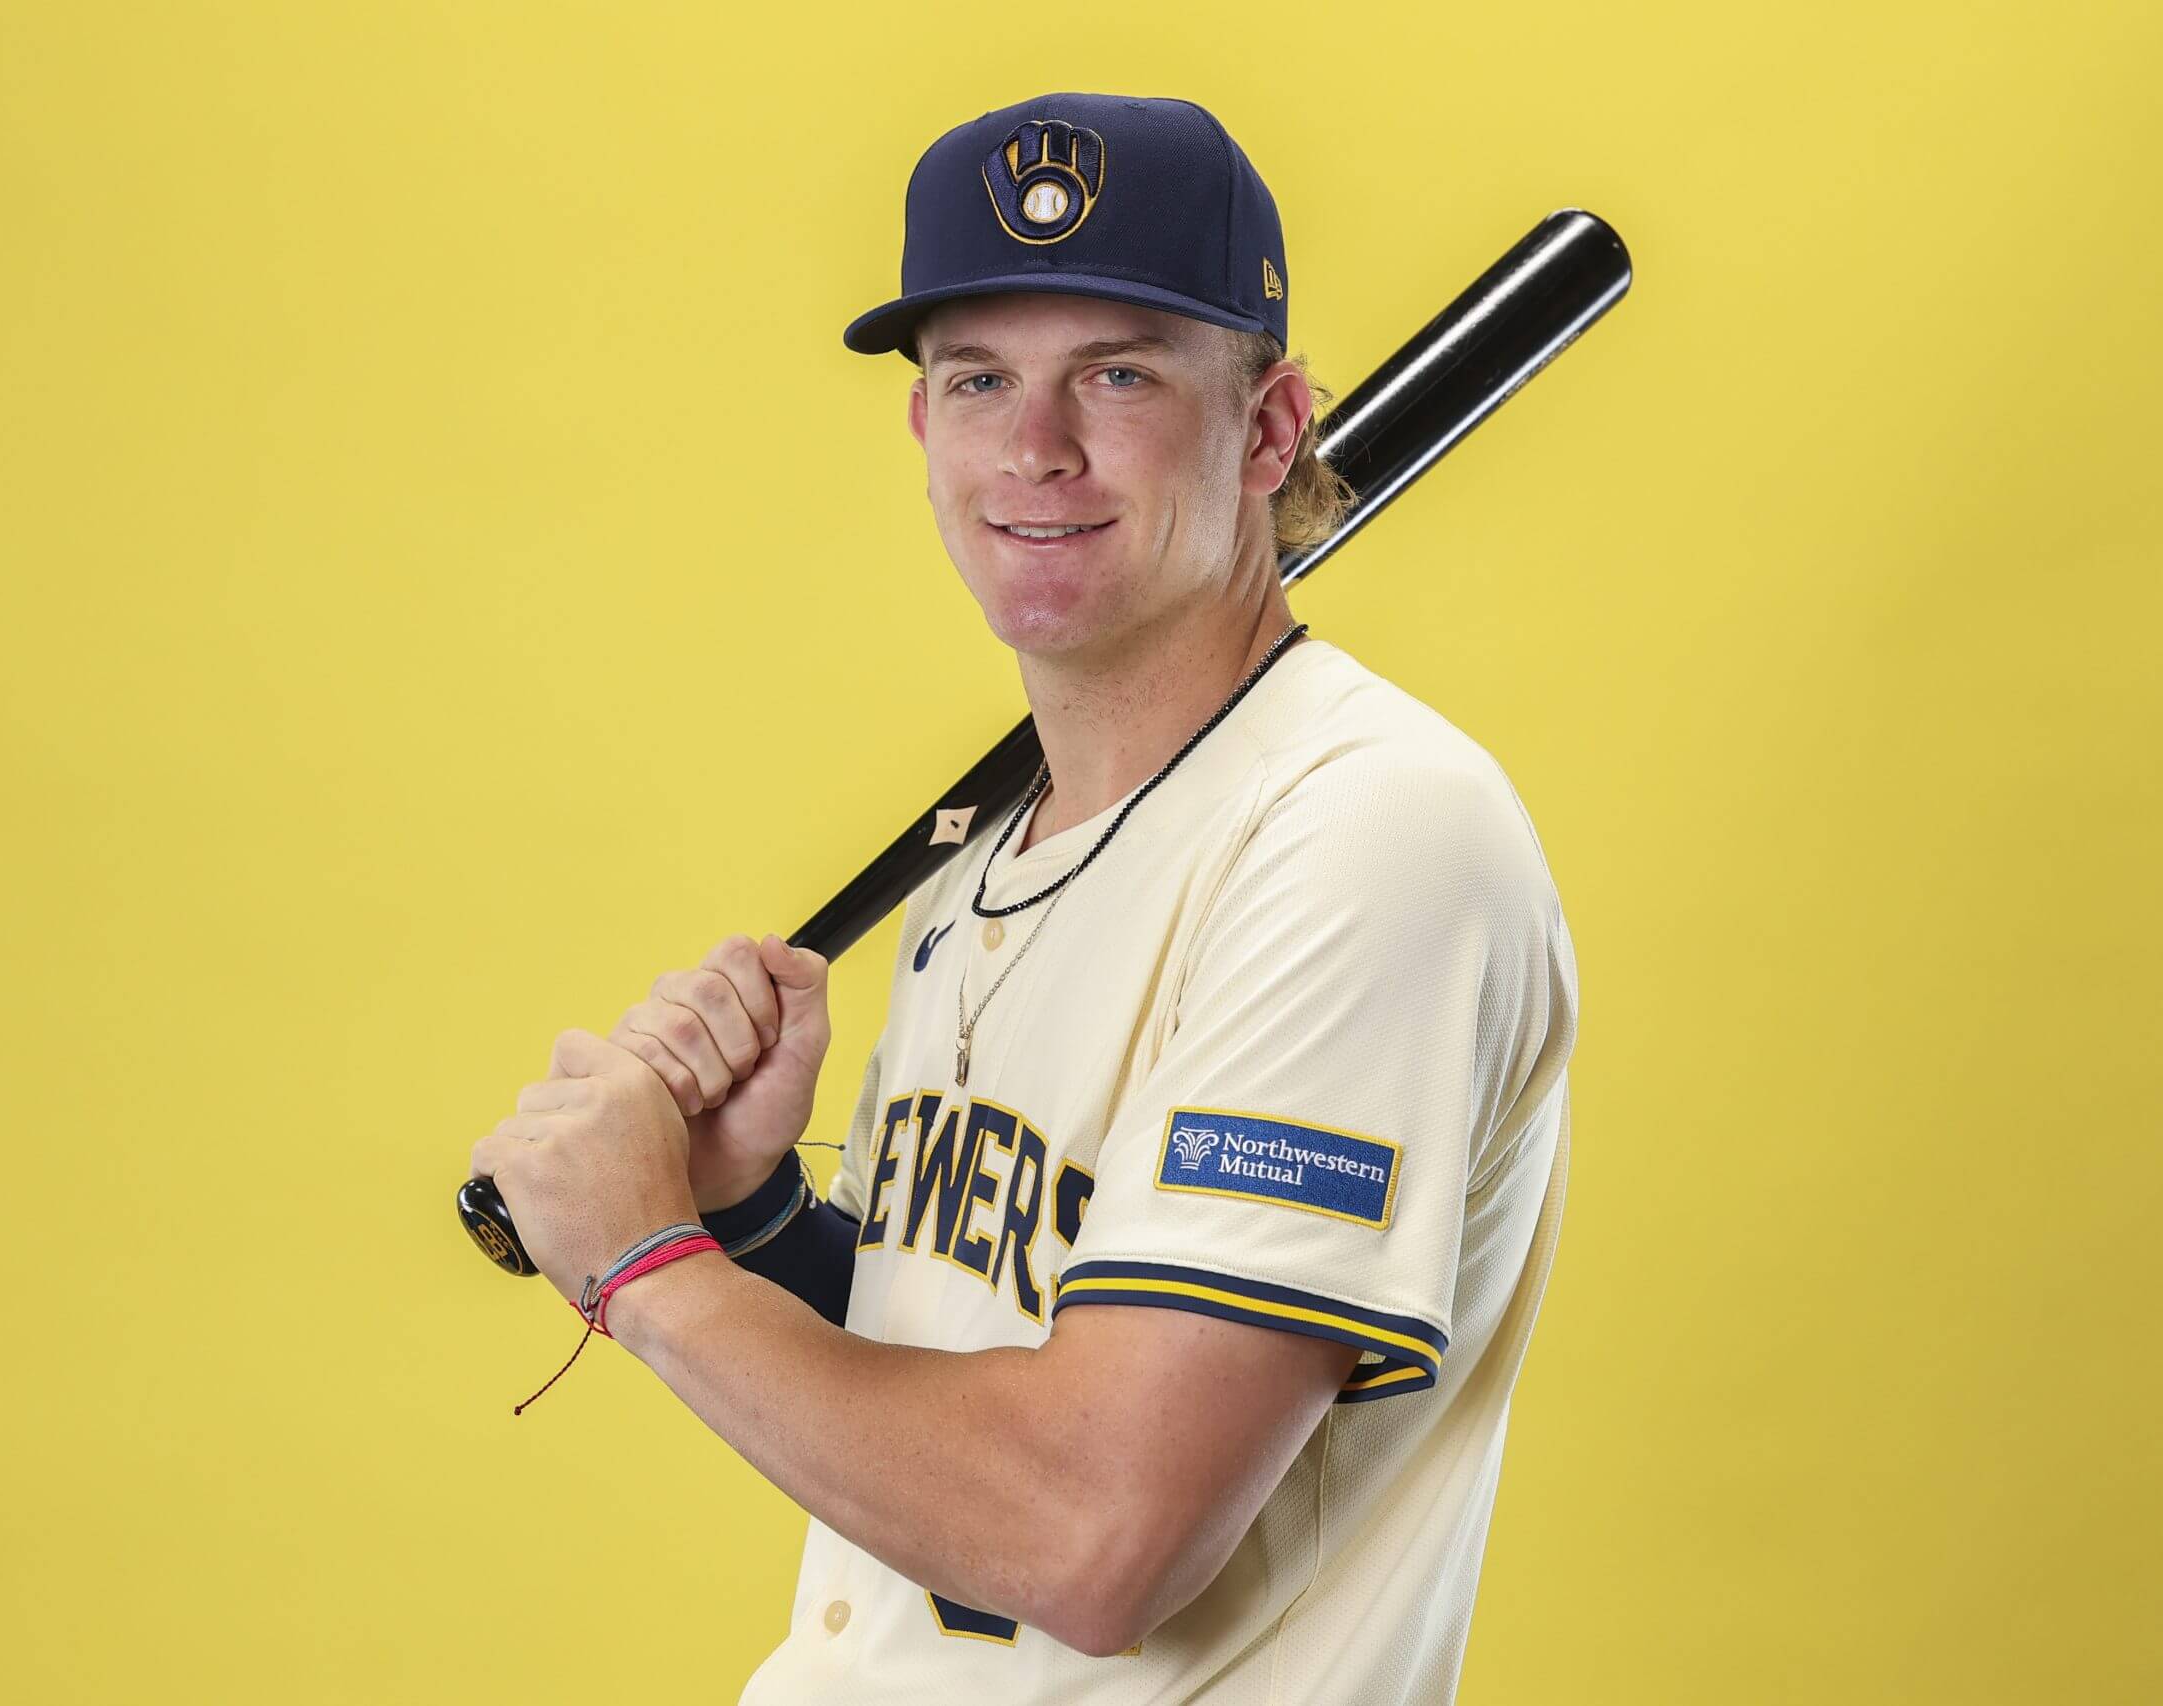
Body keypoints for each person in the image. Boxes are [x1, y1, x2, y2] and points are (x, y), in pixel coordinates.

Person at [468, 90, 1581, 1704]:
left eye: (1118, 374)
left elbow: (1091, 1528)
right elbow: (977, 1369)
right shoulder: (984, 854)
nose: (1035, 447)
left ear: (1271, 431)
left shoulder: (1366, 834)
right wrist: (753, 1217)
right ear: (924, 429)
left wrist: (648, 1266)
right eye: (979, 378)